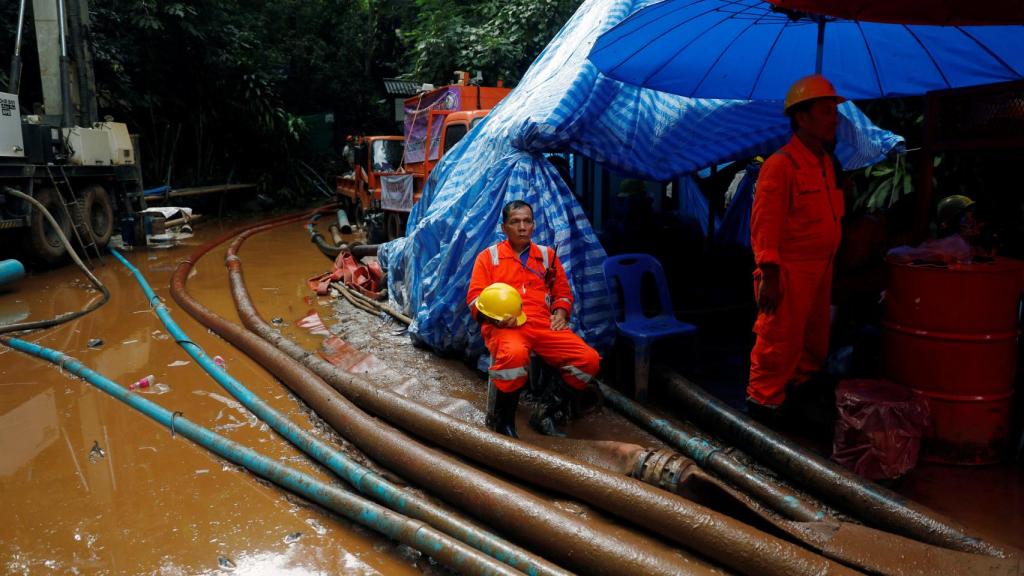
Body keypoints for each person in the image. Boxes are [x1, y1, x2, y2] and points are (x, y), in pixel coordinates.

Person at [747, 75, 846, 426]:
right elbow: (764, 227)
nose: (834, 118)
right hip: (787, 272)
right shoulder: (781, 165)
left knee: (813, 344)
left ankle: (796, 400)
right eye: (825, 111)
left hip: (821, 269)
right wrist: (770, 275)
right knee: (778, 344)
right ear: (801, 118)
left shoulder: (824, 164)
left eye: (834, 111)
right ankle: (763, 409)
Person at [467, 200, 601, 438]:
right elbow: (474, 299)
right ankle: (504, 420)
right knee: (514, 356)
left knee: (588, 360)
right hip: (505, 326)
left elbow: (562, 293)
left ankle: (546, 413)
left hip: (542, 323)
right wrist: (494, 318)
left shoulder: (547, 256)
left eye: (527, 221)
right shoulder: (489, 257)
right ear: (504, 227)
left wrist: (560, 313)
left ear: (534, 225)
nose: (522, 227)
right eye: (515, 222)